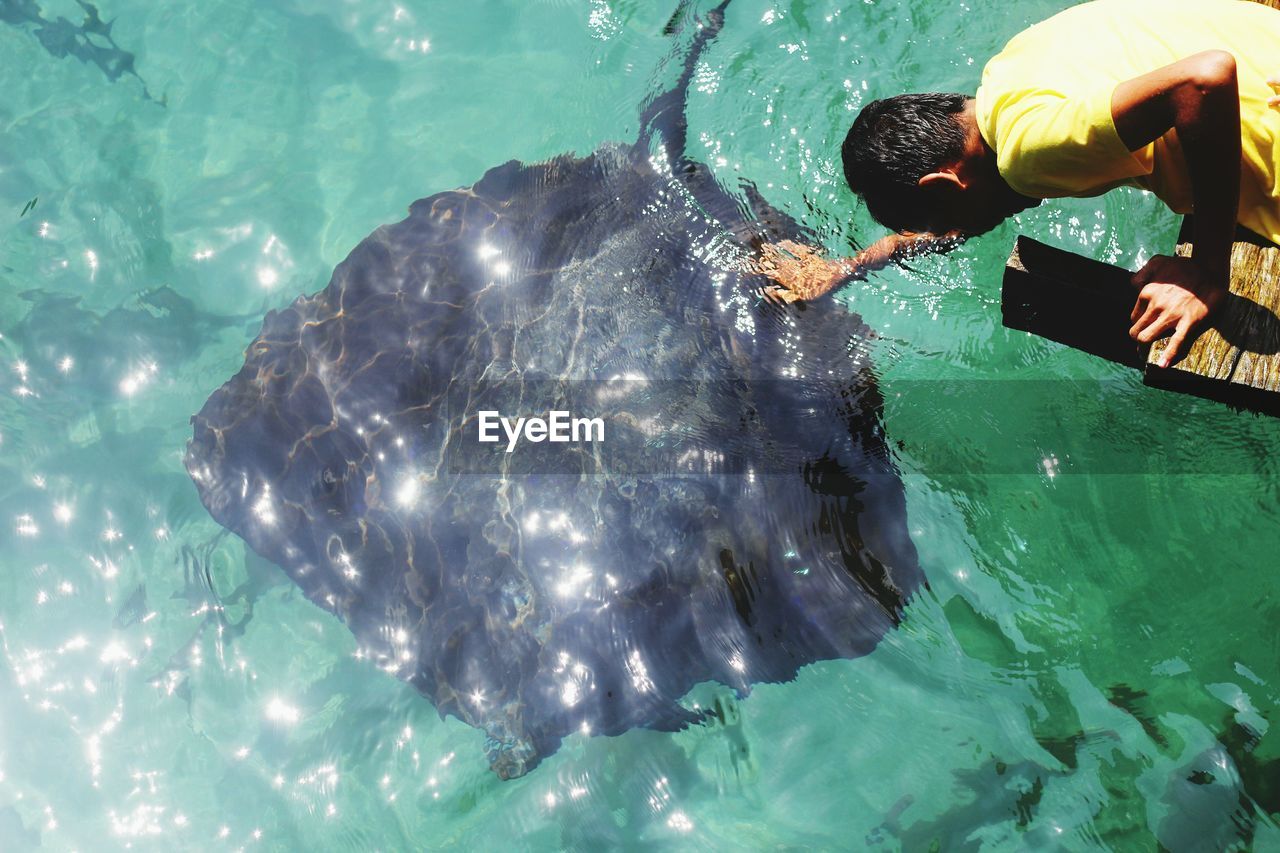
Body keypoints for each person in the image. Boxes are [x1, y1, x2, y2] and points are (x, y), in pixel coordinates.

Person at [760, 0, 1280, 367]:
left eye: (939, 220)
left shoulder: (1029, 156)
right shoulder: (1007, 79)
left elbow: (1204, 80)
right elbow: (969, 211)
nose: (950, 234)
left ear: (945, 185)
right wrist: (850, 266)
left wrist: (1204, 268)